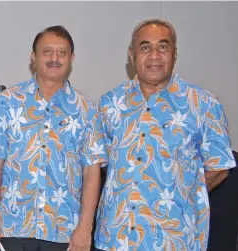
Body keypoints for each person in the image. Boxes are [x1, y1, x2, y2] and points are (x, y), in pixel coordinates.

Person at [94, 19, 236, 251]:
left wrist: (182, 194)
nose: (154, 55)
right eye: (145, 47)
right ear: (132, 55)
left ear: (174, 53)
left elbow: (220, 167)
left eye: (163, 46)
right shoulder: (110, 103)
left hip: (174, 239)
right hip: (115, 239)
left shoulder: (203, 104)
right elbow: (98, 166)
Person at [0, 25, 107, 251]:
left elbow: (91, 172)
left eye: (62, 52)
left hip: (64, 233)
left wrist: (85, 227)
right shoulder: (7, 102)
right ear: (33, 57)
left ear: (71, 58)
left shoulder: (87, 109)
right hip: (11, 228)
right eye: (47, 51)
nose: (54, 58)